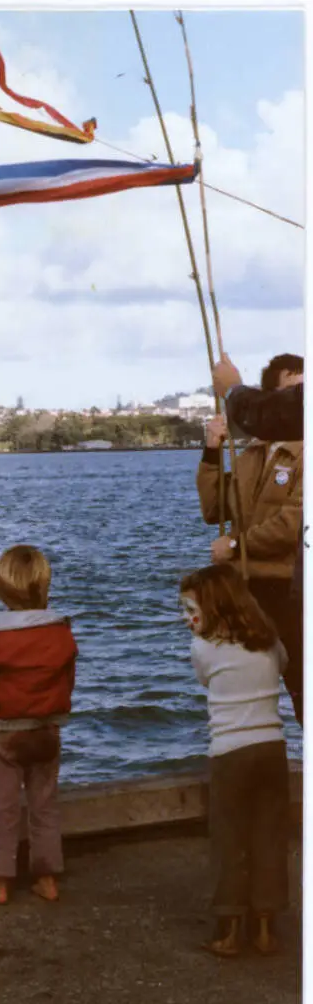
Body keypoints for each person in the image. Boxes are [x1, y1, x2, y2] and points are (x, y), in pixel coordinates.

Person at [180, 565, 289, 958]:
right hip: (272, 748)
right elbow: (284, 664)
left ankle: (229, 928)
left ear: (210, 607)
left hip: (230, 753)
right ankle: (265, 927)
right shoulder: (268, 639)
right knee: (269, 836)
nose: (185, 617)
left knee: (230, 839)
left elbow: (206, 680)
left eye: (190, 608)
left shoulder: (203, 648)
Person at [0, 545, 78, 905]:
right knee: (44, 804)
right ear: (45, 585)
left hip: (7, 731)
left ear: (1, 588)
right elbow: (67, 679)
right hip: (47, 729)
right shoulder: (60, 631)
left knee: (3, 808)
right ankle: (46, 878)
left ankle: (0, 882)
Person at [196, 353, 303, 724]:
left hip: (290, 593)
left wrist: (238, 546)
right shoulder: (251, 454)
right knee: (248, 700)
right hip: (247, 593)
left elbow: (296, 522)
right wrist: (212, 450)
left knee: (303, 691)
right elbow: (215, 510)